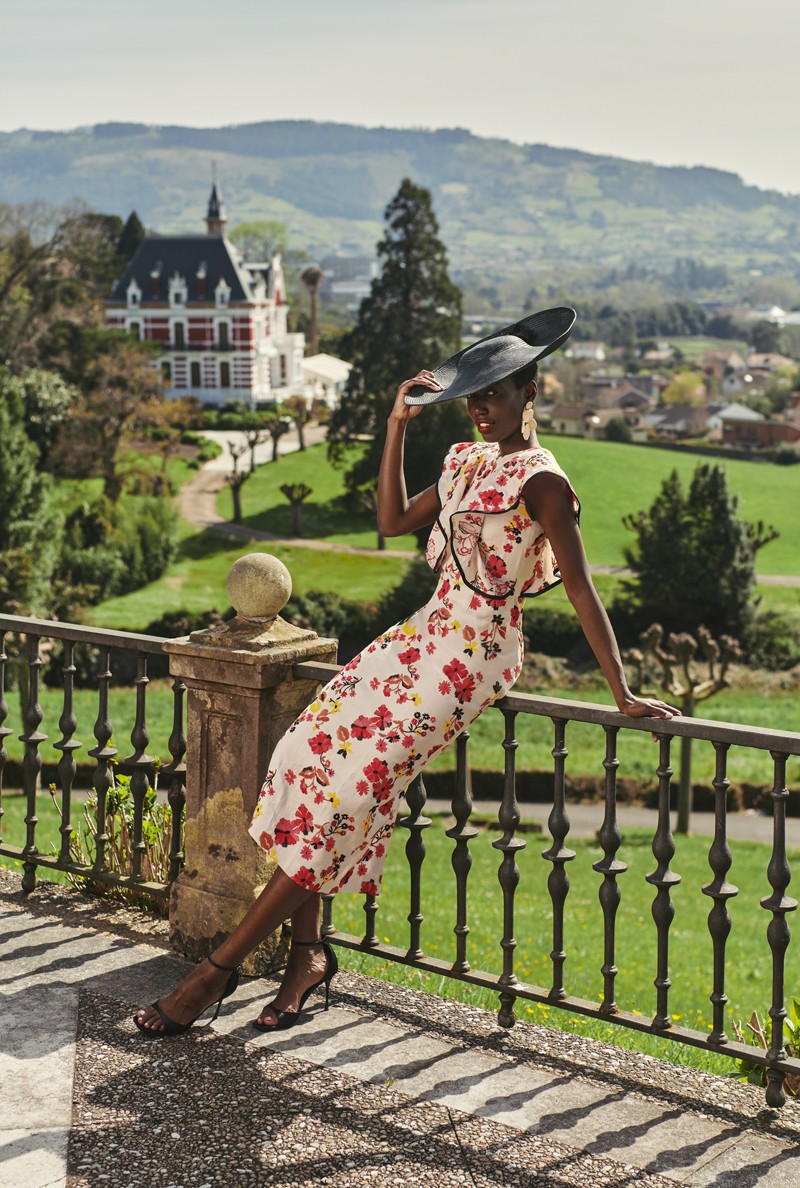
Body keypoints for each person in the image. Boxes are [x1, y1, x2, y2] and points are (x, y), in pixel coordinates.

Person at [134, 307, 679, 1037]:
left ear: (530, 391)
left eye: (496, 392)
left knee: (351, 793)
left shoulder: (543, 482)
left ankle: (215, 973)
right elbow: (391, 522)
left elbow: (581, 589)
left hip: (475, 653)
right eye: (472, 396)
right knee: (308, 752)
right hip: (425, 631)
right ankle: (308, 956)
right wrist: (396, 425)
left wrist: (622, 691)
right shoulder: (461, 460)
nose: (482, 407)